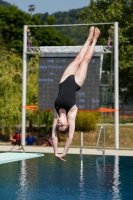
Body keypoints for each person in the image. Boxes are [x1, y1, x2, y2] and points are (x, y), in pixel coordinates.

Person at [52, 26, 100, 161]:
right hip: (76, 83)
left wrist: (55, 151)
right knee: (85, 61)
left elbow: (54, 135)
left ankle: (89, 38)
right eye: (62, 126)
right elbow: (70, 137)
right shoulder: (71, 115)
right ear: (67, 123)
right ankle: (95, 39)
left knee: (78, 58)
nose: (59, 124)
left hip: (63, 80)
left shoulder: (56, 114)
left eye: (58, 126)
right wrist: (64, 152)